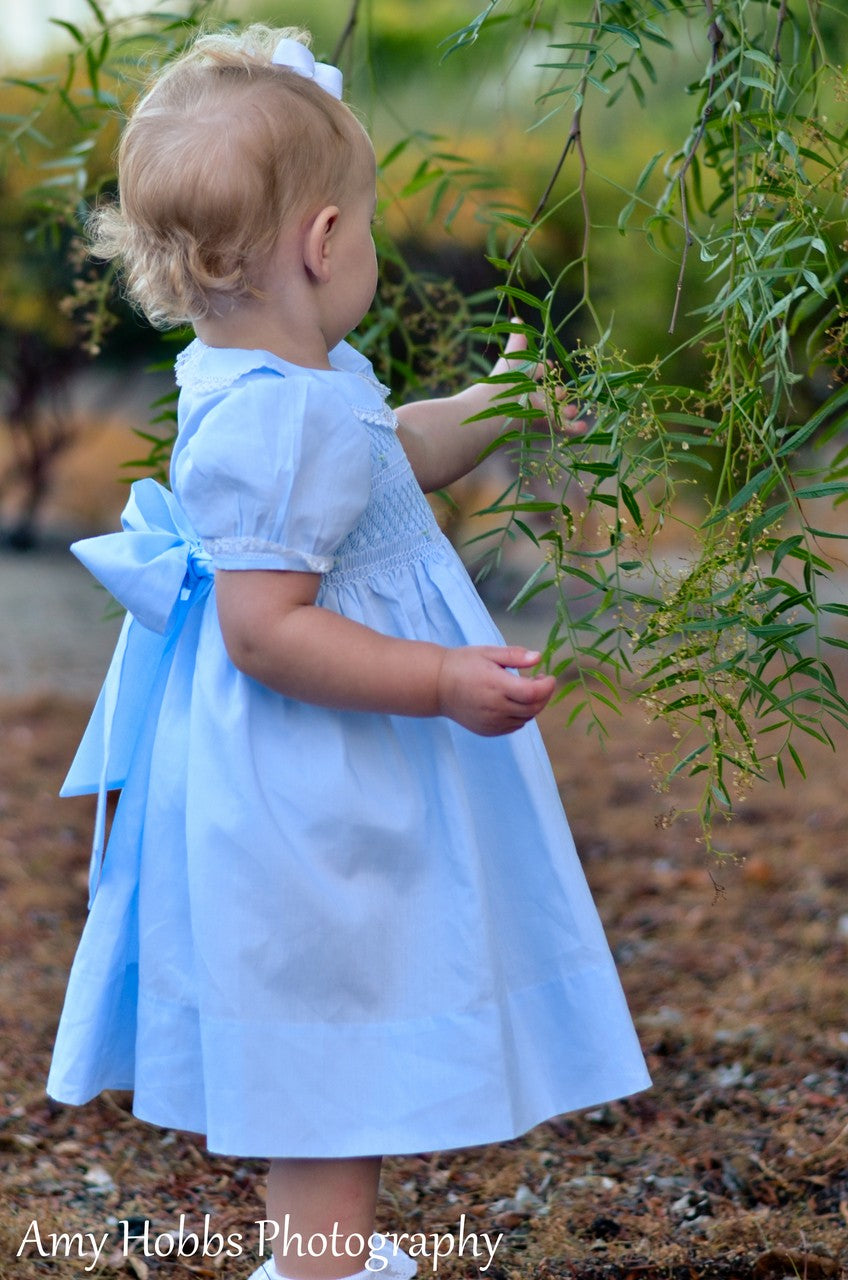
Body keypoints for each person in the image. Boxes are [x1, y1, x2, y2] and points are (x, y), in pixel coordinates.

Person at [46, 24, 650, 1280]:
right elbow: (266, 631)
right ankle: (321, 1267)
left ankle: (327, 1258)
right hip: (317, 784)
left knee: (327, 1039)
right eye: (365, 227)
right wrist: (437, 680)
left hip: (306, 767)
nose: (367, 247)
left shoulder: (271, 377)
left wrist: (499, 403)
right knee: (329, 1033)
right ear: (324, 244)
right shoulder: (278, 419)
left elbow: (384, 459)